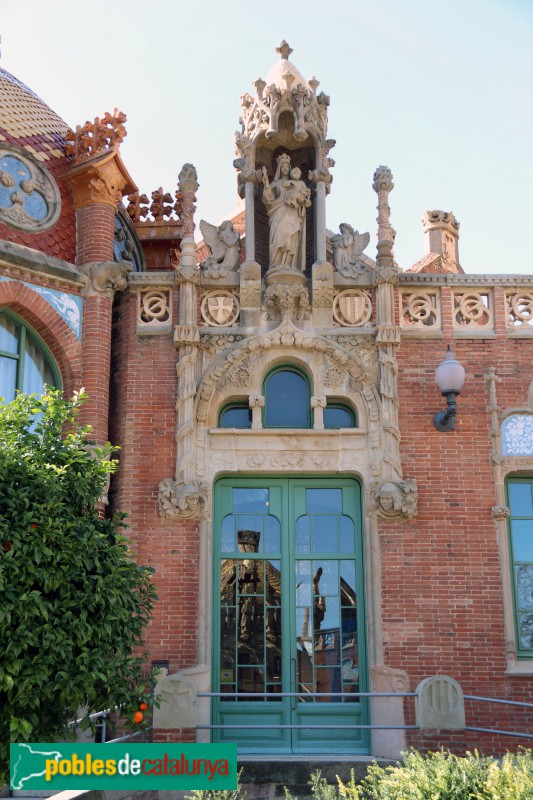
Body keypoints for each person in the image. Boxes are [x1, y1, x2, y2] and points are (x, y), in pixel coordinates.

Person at [262, 153, 311, 271]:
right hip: (278, 210)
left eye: (287, 167)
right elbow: (268, 197)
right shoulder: (277, 183)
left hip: (292, 212)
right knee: (278, 236)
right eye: (282, 166)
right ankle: (276, 265)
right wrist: (265, 181)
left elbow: (302, 194)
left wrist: (301, 199)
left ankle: (290, 265)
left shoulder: (295, 183)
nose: (285, 168)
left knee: (291, 237)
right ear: (279, 168)